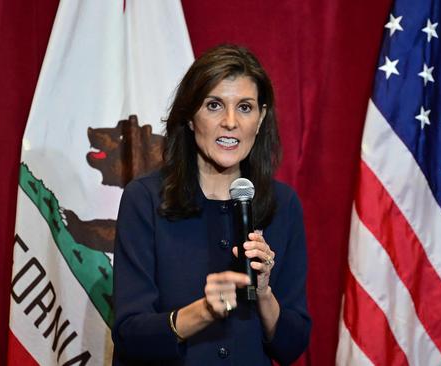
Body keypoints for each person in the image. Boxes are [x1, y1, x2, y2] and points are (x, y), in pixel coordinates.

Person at [112, 44, 311, 365]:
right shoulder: (145, 199)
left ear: (260, 119)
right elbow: (129, 335)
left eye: (245, 108)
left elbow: (291, 344)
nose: (230, 122)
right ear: (190, 117)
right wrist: (204, 311)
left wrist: (263, 293)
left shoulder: (283, 204)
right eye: (215, 105)